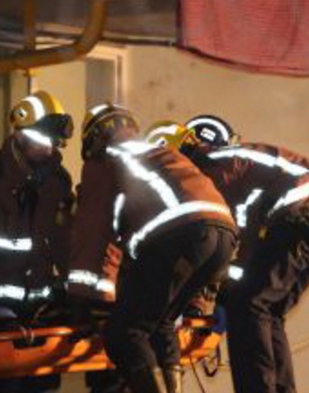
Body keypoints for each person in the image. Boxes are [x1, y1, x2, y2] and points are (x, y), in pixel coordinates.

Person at [146, 120, 309, 393]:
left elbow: (233, 232)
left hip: (306, 213)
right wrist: (219, 287)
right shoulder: (231, 161)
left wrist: (214, 290)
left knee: (247, 304)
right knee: (269, 310)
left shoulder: (214, 169)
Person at [68, 104, 237, 393]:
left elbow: (94, 234)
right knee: (161, 324)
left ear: (94, 139)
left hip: (179, 233)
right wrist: (201, 300)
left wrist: (87, 300)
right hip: (223, 235)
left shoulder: (106, 159)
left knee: (124, 333)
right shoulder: (161, 155)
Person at [0, 91, 75, 393]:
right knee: (3, 385)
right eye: (42, 140)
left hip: (41, 310)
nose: (49, 149)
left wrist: (73, 294)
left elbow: (65, 243)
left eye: (54, 143)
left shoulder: (58, 181)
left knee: (44, 384)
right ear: (20, 134)